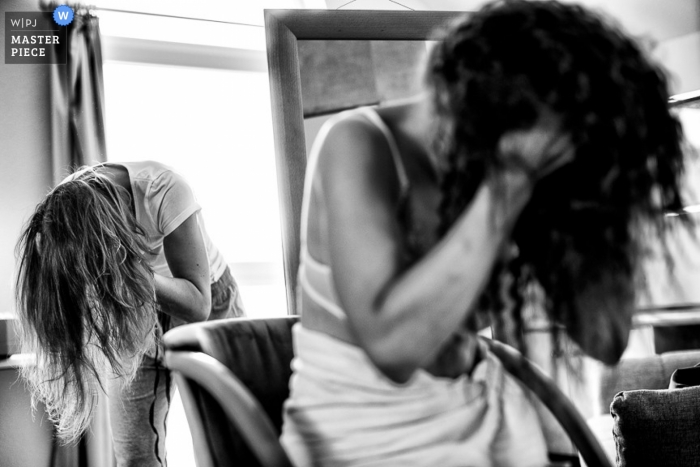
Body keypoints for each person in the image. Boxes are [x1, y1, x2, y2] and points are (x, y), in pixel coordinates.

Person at [279, 1, 689, 466]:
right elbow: (393, 349)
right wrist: (510, 180)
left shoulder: (513, 178)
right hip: (361, 438)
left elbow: (604, 336)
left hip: (478, 416)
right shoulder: (356, 143)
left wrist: (604, 203)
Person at [15, 160, 246, 467]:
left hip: (209, 300)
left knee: (230, 444)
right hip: (131, 304)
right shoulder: (61, 215)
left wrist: (129, 273)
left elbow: (197, 304)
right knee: (135, 456)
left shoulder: (163, 189)